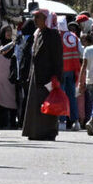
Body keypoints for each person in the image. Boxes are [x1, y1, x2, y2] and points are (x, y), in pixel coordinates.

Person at [22, 8, 63, 141]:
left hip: (48, 76)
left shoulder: (53, 35)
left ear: (46, 19)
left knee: (48, 104)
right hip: (36, 75)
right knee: (35, 104)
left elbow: (57, 59)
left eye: (38, 17)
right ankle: (34, 132)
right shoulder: (38, 33)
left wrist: (56, 77)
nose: (35, 20)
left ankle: (48, 132)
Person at [60, 20, 84, 130]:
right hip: (72, 69)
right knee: (72, 96)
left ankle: (62, 121)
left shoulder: (57, 37)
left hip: (60, 70)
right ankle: (76, 121)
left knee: (61, 96)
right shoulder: (74, 36)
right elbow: (81, 52)